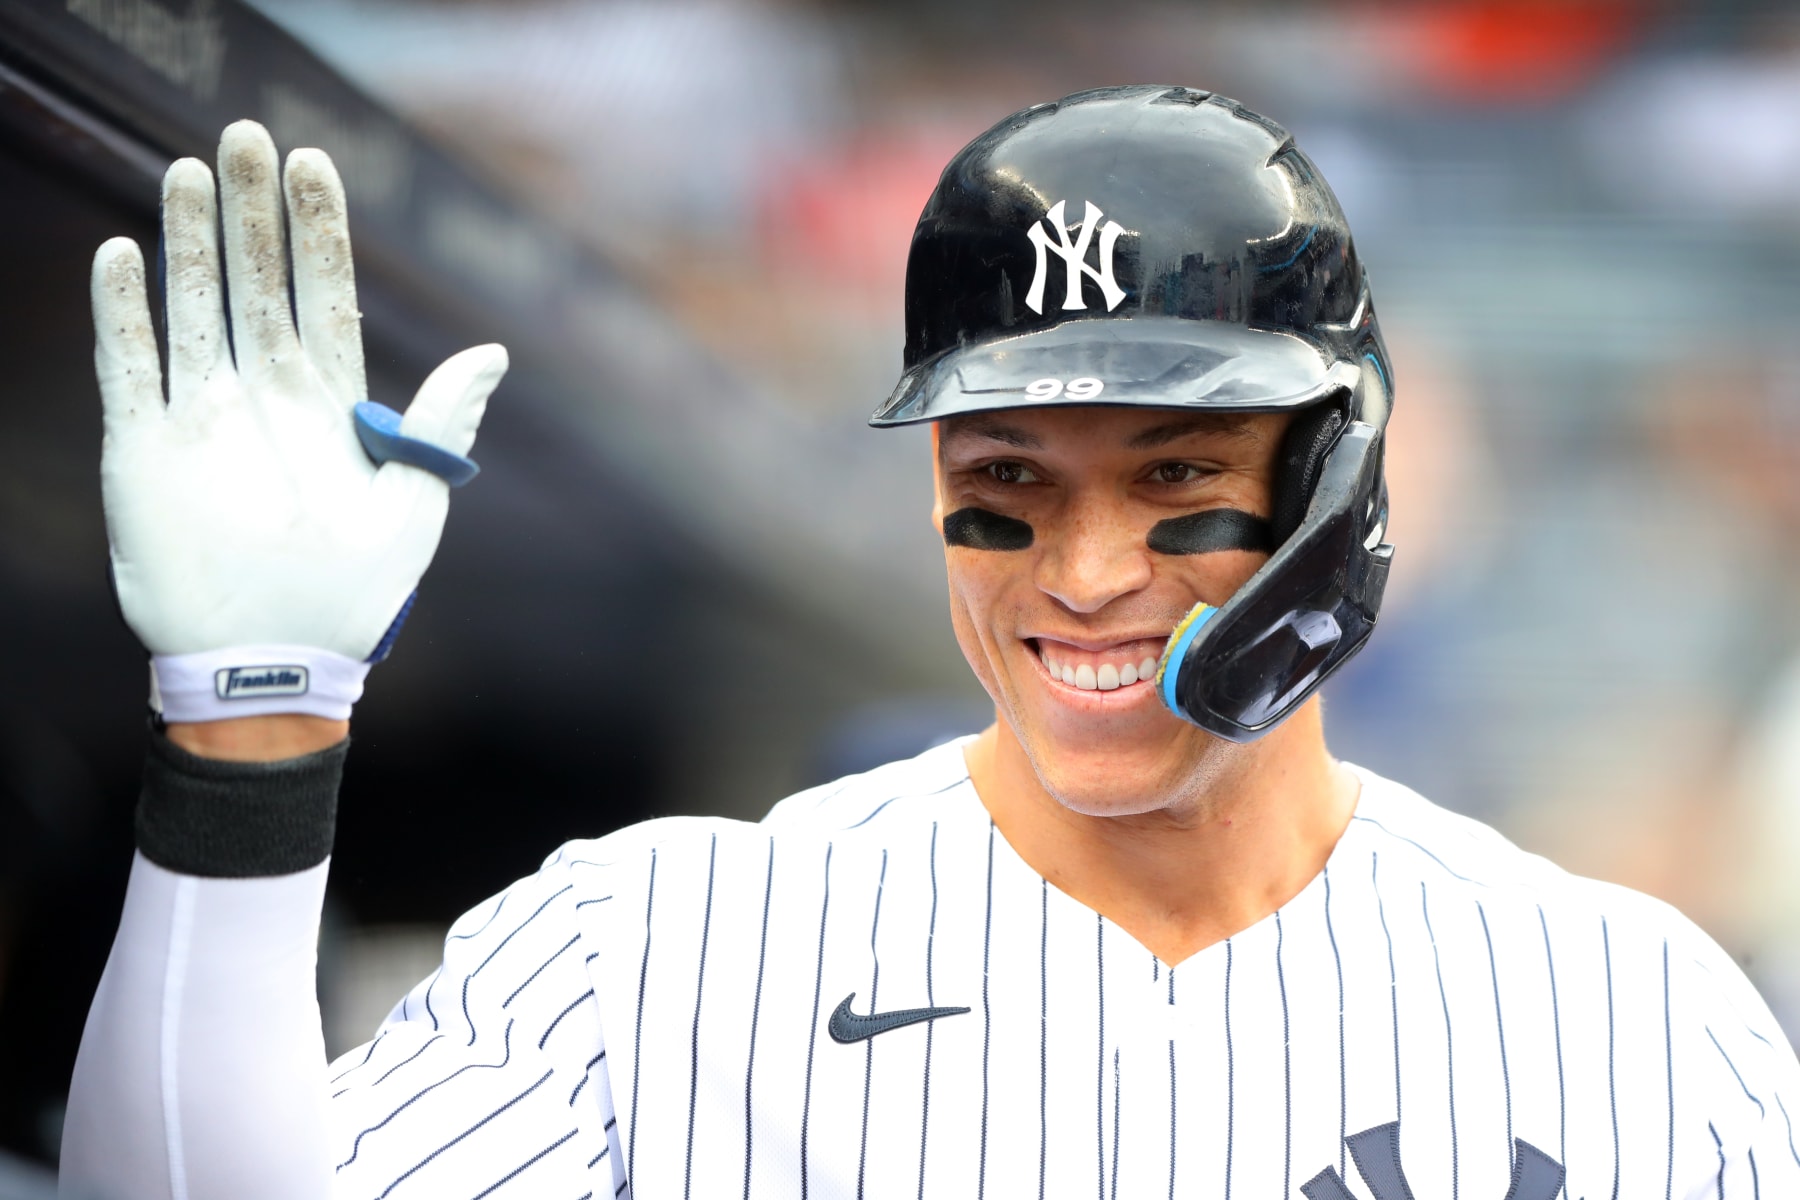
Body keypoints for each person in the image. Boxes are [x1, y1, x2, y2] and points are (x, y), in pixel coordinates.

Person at [58, 86, 1799, 1200]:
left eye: (1178, 473)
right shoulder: (651, 951)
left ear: (1338, 487)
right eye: (1008, 484)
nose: (1085, 572)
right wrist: (251, 721)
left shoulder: (1627, 1009)